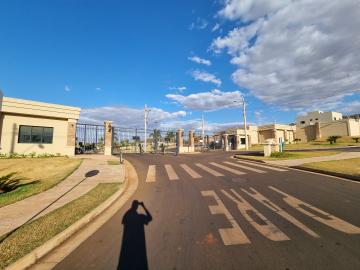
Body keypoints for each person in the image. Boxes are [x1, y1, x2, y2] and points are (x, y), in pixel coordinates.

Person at [118, 200, 152, 270]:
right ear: (137, 207)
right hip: (138, 244)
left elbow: (124, 220)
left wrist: (133, 207)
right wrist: (143, 206)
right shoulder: (139, 218)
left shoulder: (127, 216)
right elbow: (150, 218)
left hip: (127, 244)